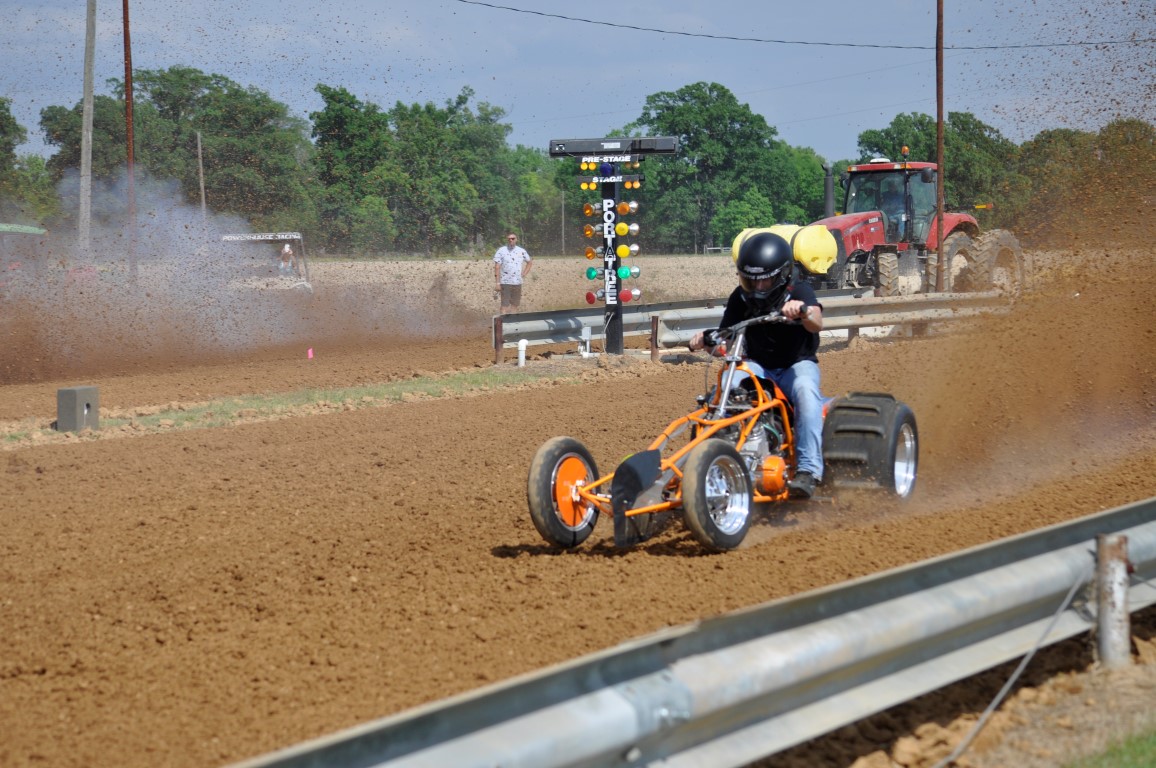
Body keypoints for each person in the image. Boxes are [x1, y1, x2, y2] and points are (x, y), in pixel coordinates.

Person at [688, 231, 826, 499]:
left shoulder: (799, 291)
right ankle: (717, 459)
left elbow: (817, 322)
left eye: (765, 282)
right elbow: (726, 342)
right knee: (724, 390)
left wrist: (804, 311)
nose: (757, 289)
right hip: (758, 365)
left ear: (783, 275)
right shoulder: (740, 298)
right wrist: (705, 343)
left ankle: (809, 471)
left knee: (807, 394)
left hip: (795, 365)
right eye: (750, 281)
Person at [493, 233, 532, 313]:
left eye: (513, 238)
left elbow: (529, 262)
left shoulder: (521, 251)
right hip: (505, 282)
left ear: (516, 239)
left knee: (515, 305)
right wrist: (497, 283)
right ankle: (503, 323)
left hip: (517, 282)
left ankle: (512, 323)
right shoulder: (501, 250)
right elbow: (497, 267)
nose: (511, 240)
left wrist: (524, 274)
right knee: (504, 305)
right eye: (509, 239)